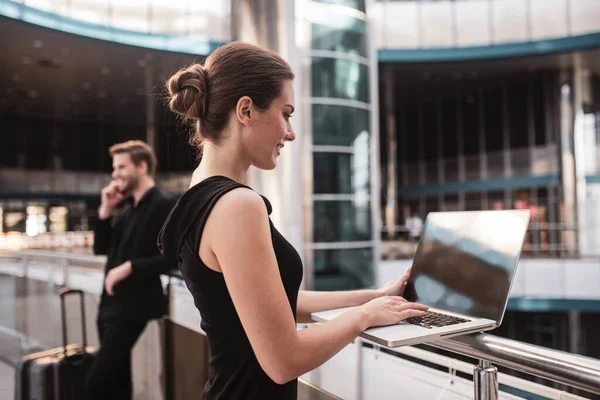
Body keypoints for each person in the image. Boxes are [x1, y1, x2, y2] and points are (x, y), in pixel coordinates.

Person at [158, 42, 428, 400]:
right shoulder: (237, 205)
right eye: (286, 113)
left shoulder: (201, 193)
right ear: (246, 110)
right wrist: (364, 316)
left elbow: (274, 303)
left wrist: (374, 296)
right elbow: (284, 359)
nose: (290, 132)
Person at [86, 140, 176, 400]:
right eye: (115, 169)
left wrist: (131, 267)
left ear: (142, 166)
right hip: (110, 308)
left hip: (130, 309)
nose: (115, 175)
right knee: (117, 385)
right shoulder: (127, 210)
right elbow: (101, 248)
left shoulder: (163, 206)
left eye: (121, 167)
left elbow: (172, 257)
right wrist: (105, 210)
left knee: (96, 385)